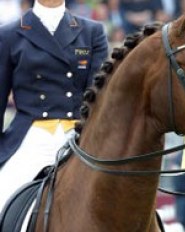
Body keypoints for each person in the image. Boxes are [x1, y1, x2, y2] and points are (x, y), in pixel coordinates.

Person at [0, 0, 108, 212]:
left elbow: (99, 98)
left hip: (77, 138)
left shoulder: (91, 32)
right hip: (31, 137)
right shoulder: (9, 34)